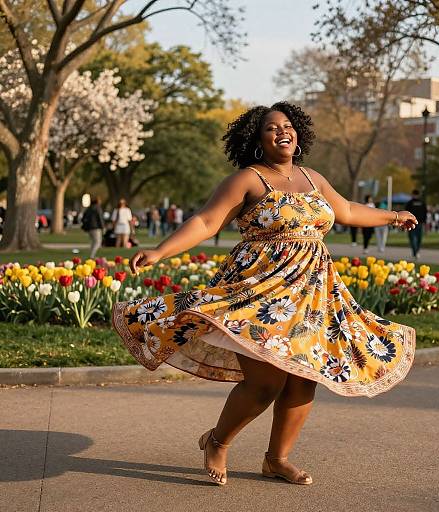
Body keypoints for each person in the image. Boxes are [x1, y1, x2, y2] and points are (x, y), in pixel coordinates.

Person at [112, 102, 418, 487]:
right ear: (258, 139)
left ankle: (277, 459)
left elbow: (347, 211)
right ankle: (218, 441)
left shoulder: (314, 178)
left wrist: (393, 216)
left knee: (305, 378)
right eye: (272, 128)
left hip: (310, 296)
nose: (282, 132)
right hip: (259, 293)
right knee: (265, 383)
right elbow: (206, 221)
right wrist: (159, 251)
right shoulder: (249, 179)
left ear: (299, 134)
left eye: (287, 126)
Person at [405, 190, 427, 260]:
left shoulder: (410, 203)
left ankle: (415, 252)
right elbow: (425, 213)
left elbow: (406, 212)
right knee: (417, 238)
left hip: (412, 223)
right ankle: (416, 252)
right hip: (418, 223)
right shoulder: (422, 203)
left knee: (413, 238)